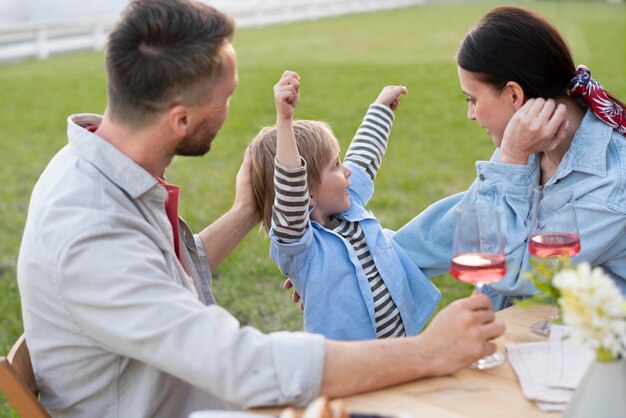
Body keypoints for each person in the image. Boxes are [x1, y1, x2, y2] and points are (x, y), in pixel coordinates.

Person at [16, 0, 504, 416]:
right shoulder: (90, 226)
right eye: (225, 97)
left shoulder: (100, 166)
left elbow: (160, 278)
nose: (230, 111)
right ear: (180, 118)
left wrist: (247, 211)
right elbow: (240, 365)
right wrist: (424, 352)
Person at [391, 5, 626, 310]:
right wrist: (348, 260)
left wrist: (512, 157)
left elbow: (512, 272)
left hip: (594, 351)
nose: (470, 115)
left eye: (472, 99)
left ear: (514, 95)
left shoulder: (611, 184)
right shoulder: (529, 144)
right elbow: (461, 225)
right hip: (532, 340)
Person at [249, 71, 440, 340]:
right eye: (336, 166)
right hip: (353, 367)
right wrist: (285, 120)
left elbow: (364, 156)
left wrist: (381, 108)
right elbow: (291, 190)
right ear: (309, 195)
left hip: (401, 344)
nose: (347, 172)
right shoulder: (300, 247)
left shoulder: (348, 206)